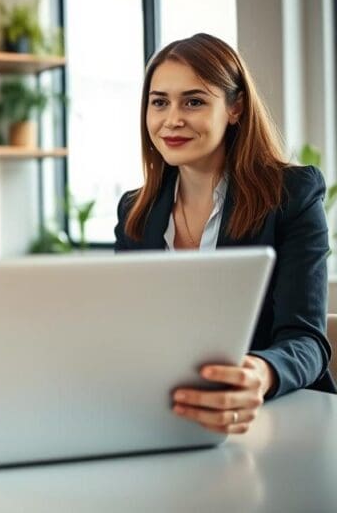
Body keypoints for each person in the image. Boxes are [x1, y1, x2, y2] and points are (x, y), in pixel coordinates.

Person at [114, 33, 336, 434]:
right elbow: (128, 333)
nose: (172, 119)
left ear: (235, 108)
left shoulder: (292, 196)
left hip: (279, 421)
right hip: (165, 416)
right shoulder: (136, 212)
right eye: (159, 101)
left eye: (194, 101)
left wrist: (260, 373)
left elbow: (307, 341)